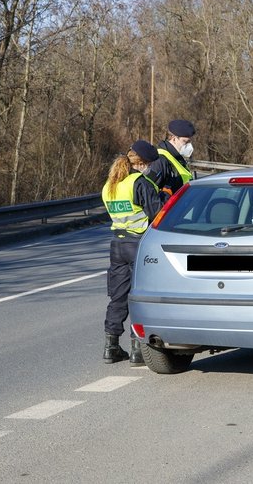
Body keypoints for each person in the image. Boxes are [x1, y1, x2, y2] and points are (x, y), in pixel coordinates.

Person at [101, 140, 166, 366]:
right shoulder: (138, 182)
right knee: (138, 296)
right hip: (138, 244)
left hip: (117, 244)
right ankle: (137, 349)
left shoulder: (110, 185)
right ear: (142, 164)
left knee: (118, 296)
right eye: (148, 165)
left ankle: (111, 346)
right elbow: (157, 213)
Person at [153, 119, 196, 195]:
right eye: (185, 142)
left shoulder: (177, 159)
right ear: (174, 138)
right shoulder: (160, 160)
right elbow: (151, 195)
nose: (189, 146)